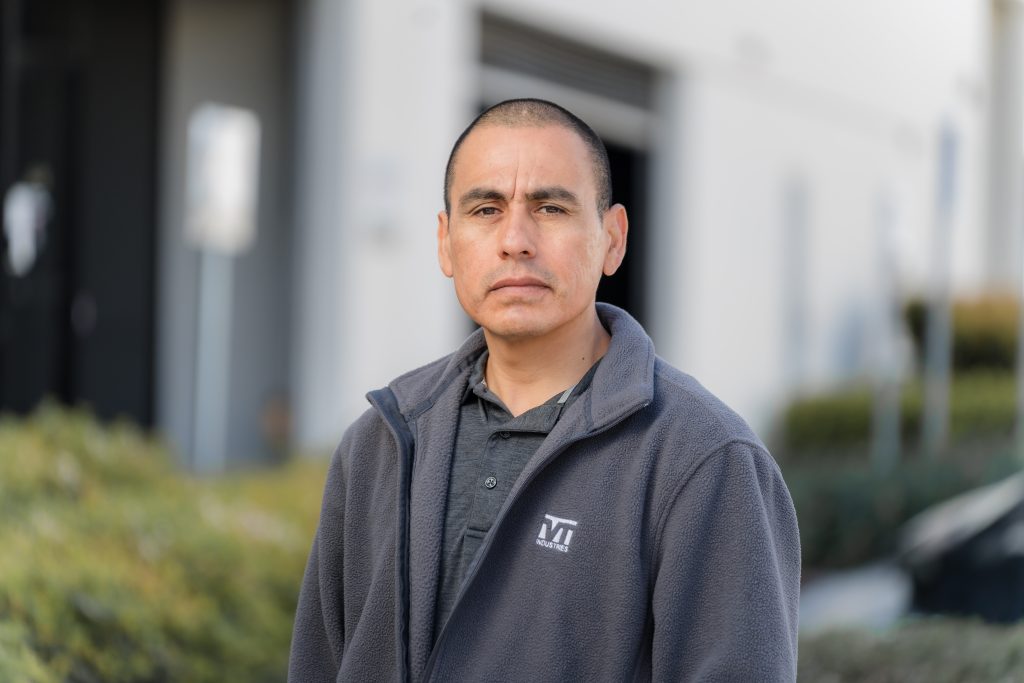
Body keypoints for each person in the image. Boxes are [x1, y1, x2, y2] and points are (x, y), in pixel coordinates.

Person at [288, 98, 800, 682]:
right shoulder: (381, 441)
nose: (515, 240)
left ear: (612, 239)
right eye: (485, 209)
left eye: (550, 207)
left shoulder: (704, 459)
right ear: (445, 241)